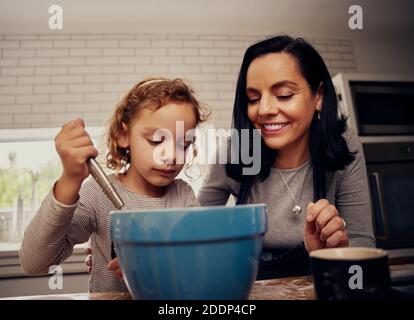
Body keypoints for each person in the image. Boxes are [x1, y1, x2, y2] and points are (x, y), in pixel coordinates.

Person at [198, 35, 375, 279]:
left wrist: (336, 252)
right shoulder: (234, 150)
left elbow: (363, 242)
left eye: (283, 95)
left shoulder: (344, 143)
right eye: (253, 98)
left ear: (319, 96)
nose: (264, 110)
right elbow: (193, 232)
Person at [19, 77, 209, 292]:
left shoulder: (183, 195)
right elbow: (35, 263)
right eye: (156, 141)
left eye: (184, 144)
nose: (173, 155)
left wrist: (163, 262)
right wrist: (70, 180)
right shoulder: (97, 193)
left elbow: (201, 263)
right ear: (123, 135)